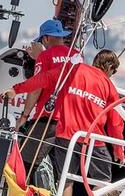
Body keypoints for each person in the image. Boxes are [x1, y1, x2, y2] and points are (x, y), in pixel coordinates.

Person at [5, 49, 123, 196]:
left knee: (66, 182)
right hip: (94, 139)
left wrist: (16, 89)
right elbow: (116, 121)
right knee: (103, 180)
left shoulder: (71, 70)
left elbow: (41, 80)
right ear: (110, 67)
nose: (112, 75)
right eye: (114, 71)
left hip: (67, 135)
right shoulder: (108, 86)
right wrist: (119, 150)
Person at [15, 18, 83, 170]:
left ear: (46, 38)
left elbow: (35, 89)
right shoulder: (78, 56)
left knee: (24, 164)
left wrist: (24, 116)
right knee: (64, 172)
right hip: (71, 123)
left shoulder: (45, 57)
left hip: (48, 120)